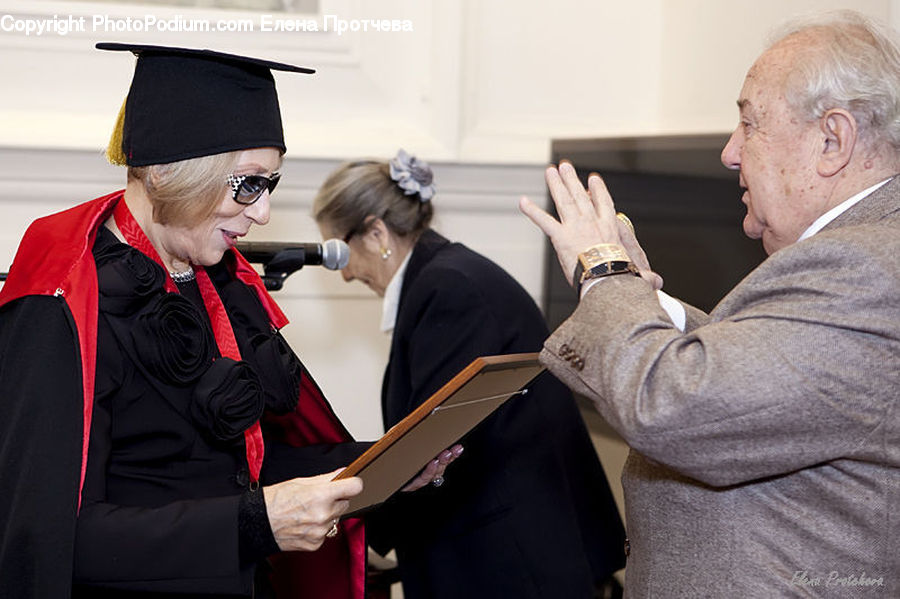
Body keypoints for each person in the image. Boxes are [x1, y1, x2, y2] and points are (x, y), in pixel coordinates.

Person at [0, 44, 455, 599]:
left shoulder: (220, 283)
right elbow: (51, 539)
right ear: (168, 172)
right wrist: (254, 524)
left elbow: (244, 461)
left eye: (270, 185)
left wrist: (382, 464)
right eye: (247, 183)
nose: (261, 212)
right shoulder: (66, 304)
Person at [520, 9, 900, 598]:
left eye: (750, 124)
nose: (728, 152)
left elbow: (676, 407)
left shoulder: (864, 267)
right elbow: (751, 371)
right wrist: (642, 296)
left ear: (833, 139)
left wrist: (602, 271)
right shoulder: (860, 258)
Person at [313, 150, 627, 599]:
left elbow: (432, 442)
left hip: (513, 559)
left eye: (342, 252)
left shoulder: (448, 288)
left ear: (377, 232)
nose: (344, 275)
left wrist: (339, 518)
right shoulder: (446, 277)